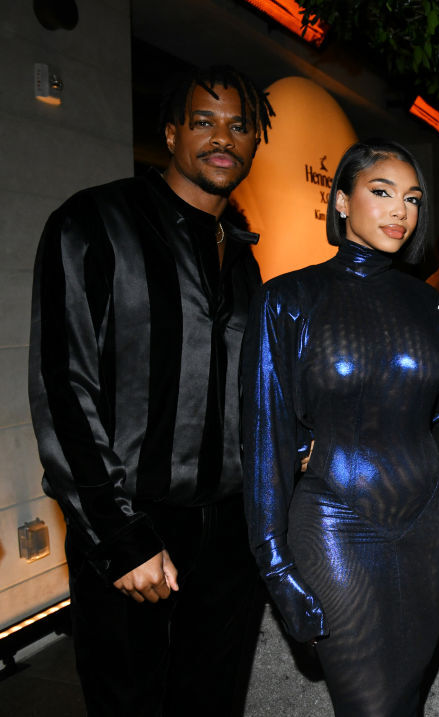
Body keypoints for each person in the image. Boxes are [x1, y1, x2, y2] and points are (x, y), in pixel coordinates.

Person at [28, 66, 273, 715]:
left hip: (228, 543)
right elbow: (62, 385)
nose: (224, 136)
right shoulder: (94, 223)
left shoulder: (244, 258)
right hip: (134, 524)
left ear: (254, 145)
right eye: (204, 121)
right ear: (170, 132)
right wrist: (120, 536)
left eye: (240, 125)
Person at [241, 139, 439, 716]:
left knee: (406, 701)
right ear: (341, 201)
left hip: (431, 527)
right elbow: (265, 442)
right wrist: (276, 567)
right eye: (381, 192)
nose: (400, 212)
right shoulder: (287, 299)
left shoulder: (428, 303)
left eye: (412, 199)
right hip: (335, 526)